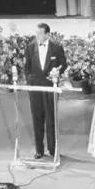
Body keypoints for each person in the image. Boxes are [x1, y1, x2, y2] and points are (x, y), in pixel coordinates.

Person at [23, 23, 68, 160]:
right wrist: (31, 83)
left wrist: (57, 72)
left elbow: (64, 64)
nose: (38, 36)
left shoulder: (56, 47)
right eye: (36, 33)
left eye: (40, 34)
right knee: (37, 119)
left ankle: (53, 150)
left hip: (50, 87)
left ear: (48, 35)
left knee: (51, 119)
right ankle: (39, 150)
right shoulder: (30, 47)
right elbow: (27, 68)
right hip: (35, 89)